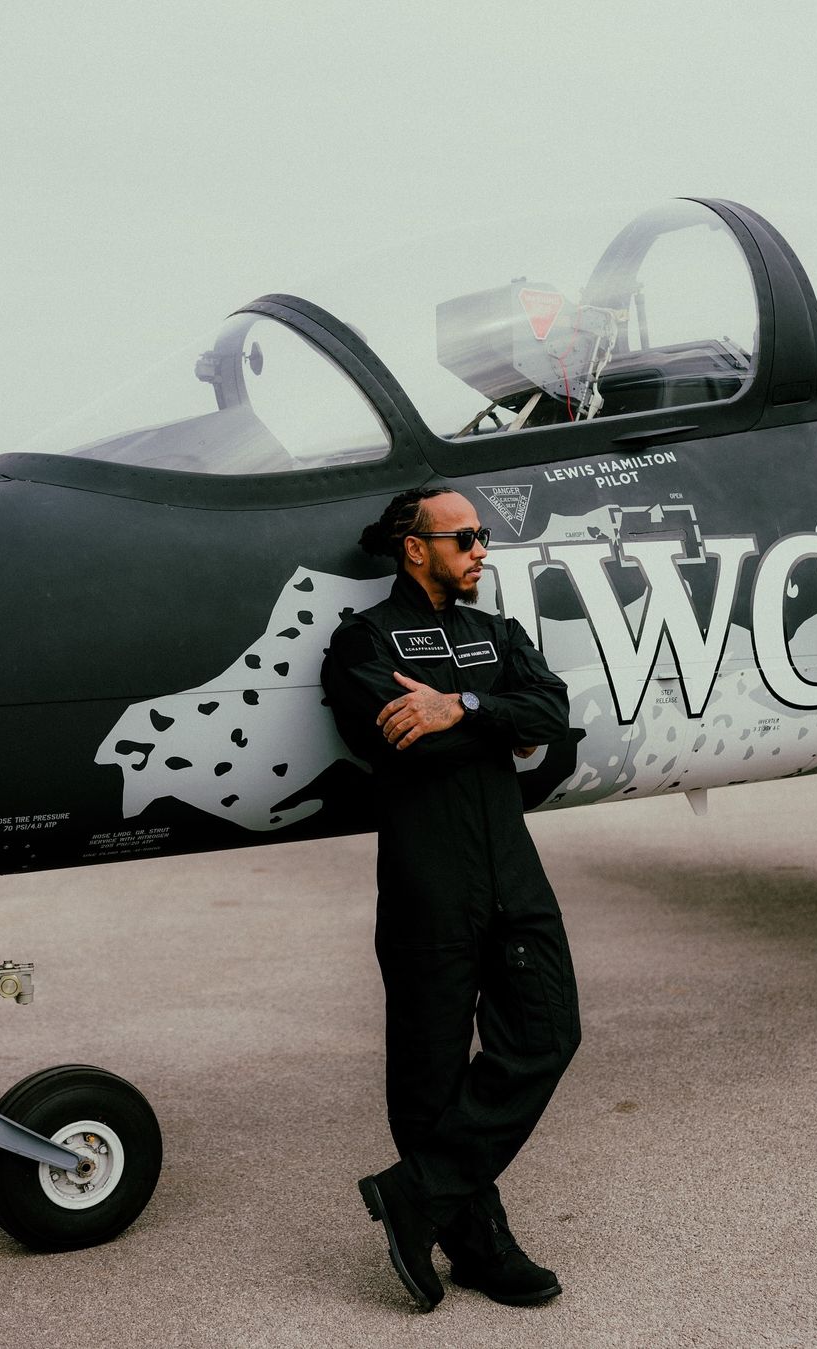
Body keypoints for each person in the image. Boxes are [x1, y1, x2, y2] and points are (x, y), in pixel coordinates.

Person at [321, 486, 581, 1312]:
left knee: (549, 1030)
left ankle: (415, 1193)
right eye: (464, 536)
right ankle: (480, 1242)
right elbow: (403, 741)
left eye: (482, 536)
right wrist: (498, 723)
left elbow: (553, 712)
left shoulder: (495, 633)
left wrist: (460, 706)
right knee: (427, 1078)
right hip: (427, 884)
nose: (480, 549)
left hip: (513, 873)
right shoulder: (362, 641)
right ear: (415, 548)